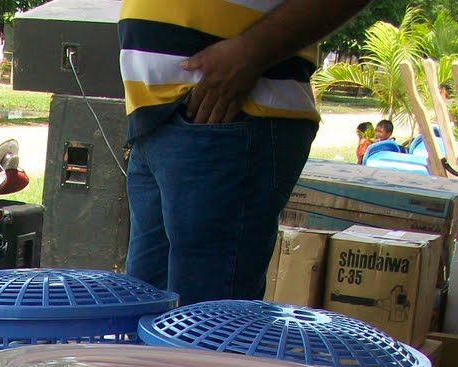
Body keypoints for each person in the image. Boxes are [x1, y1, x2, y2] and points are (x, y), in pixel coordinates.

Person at [120, 0, 373, 306]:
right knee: (144, 316)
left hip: (228, 114)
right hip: (158, 120)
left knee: (204, 323)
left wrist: (250, 52)